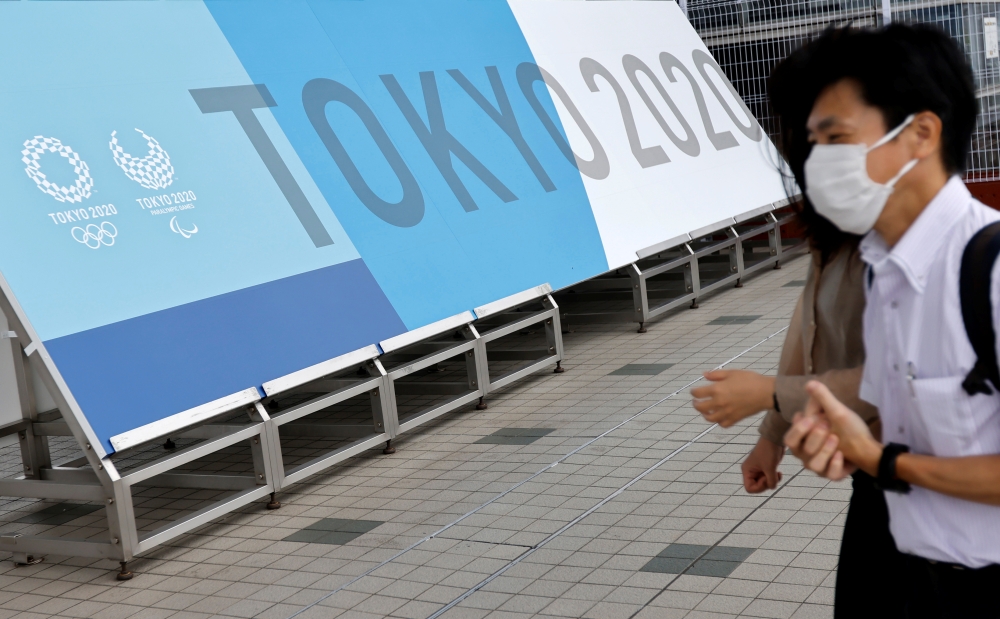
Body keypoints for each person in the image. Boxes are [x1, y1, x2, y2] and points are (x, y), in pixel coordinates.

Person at [778, 24, 1000, 619]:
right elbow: (901, 428)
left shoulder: (991, 272)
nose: (820, 160)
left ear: (921, 133)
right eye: (813, 141)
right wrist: (838, 447)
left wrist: (880, 462)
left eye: (838, 137)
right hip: (906, 571)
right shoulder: (884, 273)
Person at [692, 26, 910, 619]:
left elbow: (904, 374)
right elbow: (806, 330)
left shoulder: (924, 243)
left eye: (831, 133)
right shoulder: (841, 227)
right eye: (803, 134)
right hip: (880, 478)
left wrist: (770, 393)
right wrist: (772, 434)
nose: (811, 154)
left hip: (939, 484)